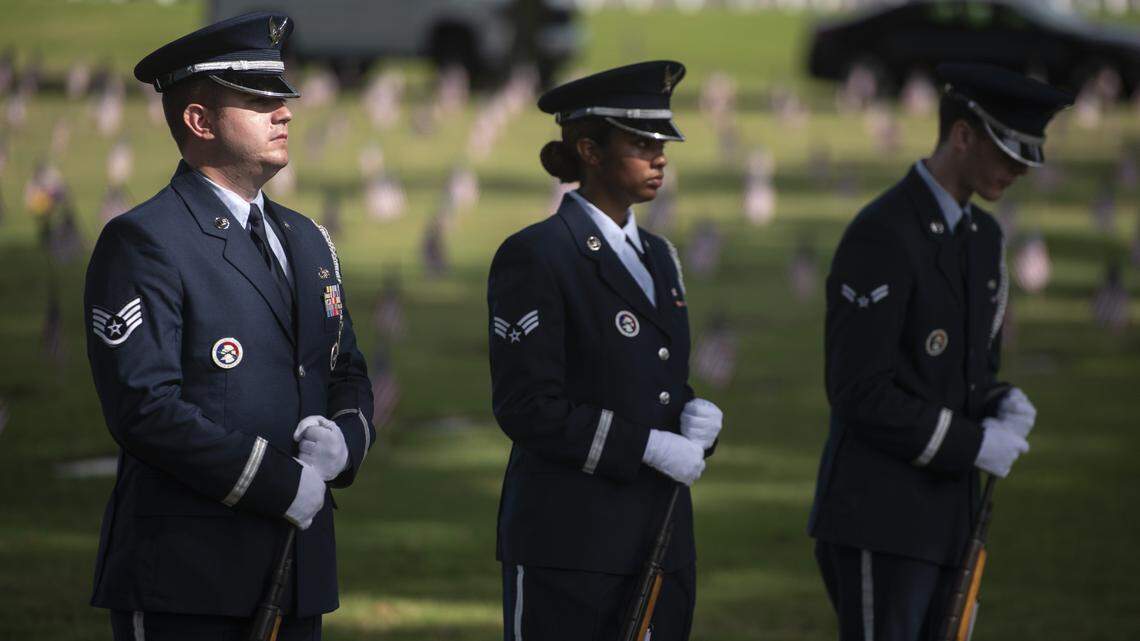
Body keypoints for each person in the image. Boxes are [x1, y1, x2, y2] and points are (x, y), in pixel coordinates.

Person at [84, 13, 374, 641]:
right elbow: (144, 407)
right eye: (259, 99)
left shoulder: (306, 238)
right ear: (200, 121)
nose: (285, 112)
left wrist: (347, 440)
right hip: (188, 576)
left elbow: (343, 367)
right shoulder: (146, 240)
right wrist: (274, 482)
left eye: (284, 97)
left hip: (298, 572)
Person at [808, 63, 1073, 641]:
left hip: (951, 517)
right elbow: (860, 390)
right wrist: (973, 443)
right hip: (881, 517)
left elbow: (964, 374)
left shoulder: (984, 239)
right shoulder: (884, 232)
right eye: (1007, 153)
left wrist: (1000, 402)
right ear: (962, 135)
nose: (1018, 171)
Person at [487, 60, 723, 641]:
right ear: (589, 151)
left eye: (663, 142)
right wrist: (648, 445)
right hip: (570, 542)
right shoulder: (539, 254)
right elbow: (528, 407)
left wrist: (696, 420)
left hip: (661, 537)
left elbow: (650, 381)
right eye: (642, 143)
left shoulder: (661, 256)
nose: (660, 156)